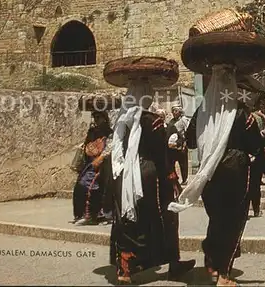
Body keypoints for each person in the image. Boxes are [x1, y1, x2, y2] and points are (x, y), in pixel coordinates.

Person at [168, 65, 265, 286]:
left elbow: (189, 140)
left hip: (209, 173)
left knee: (217, 220)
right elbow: (257, 145)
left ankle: (212, 263)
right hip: (235, 171)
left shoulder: (202, 111)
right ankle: (224, 274)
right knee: (232, 222)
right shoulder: (240, 112)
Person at [109, 84, 194, 284]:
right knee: (167, 217)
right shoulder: (152, 121)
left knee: (130, 218)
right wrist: (172, 174)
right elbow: (161, 151)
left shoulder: (122, 119)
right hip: (149, 174)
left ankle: (125, 267)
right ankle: (174, 263)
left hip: (125, 174)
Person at [72, 111, 113, 225]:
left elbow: (110, 147)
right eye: (94, 117)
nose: (96, 120)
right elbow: (87, 145)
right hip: (89, 164)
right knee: (79, 186)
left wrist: (101, 158)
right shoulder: (92, 132)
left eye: (98, 117)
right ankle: (80, 214)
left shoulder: (109, 133)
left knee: (89, 186)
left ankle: (90, 215)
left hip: (101, 165)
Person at [167, 106, 190, 185]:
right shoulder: (171, 122)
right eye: (173, 111)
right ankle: (174, 178)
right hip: (173, 146)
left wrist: (184, 143)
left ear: (179, 112)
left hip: (181, 144)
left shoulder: (184, 120)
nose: (174, 112)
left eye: (176, 111)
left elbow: (187, 132)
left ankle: (184, 179)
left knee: (183, 164)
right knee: (171, 163)